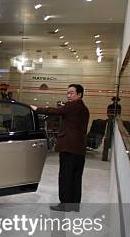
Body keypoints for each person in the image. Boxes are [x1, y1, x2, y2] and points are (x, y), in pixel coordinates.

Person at [32, 84, 90, 212]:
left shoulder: (73, 106)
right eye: (67, 93)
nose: (68, 95)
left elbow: (56, 111)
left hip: (69, 147)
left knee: (65, 176)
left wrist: (36, 109)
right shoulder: (84, 108)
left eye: (71, 93)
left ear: (79, 94)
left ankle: (65, 204)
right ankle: (74, 205)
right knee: (76, 177)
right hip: (79, 148)